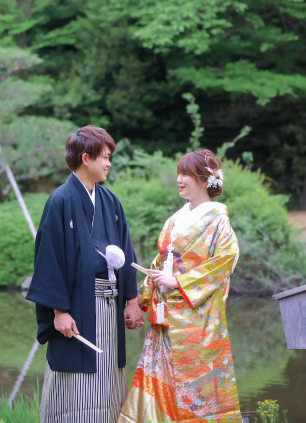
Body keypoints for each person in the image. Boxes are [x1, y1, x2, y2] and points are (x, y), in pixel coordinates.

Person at [26, 125, 144, 423]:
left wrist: (132, 300)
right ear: (86, 157)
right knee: (74, 382)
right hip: (77, 307)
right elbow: (48, 258)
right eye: (105, 157)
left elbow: (126, 253)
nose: (108, 163)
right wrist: (58, 311)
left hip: (110, 307)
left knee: (108, 375)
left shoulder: (110, 201)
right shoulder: (60, 200)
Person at [117, 149, 242, 422]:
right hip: (164, 316)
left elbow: (225, 261)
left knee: (197, 388)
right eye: (179, 174)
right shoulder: (175, 219)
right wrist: (139, 300)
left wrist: (178, 281)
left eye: (185, 174)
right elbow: (160, 262)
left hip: (196, 318)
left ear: (203, 179)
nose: (179, 179)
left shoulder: (218, 221)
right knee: (158, 381)